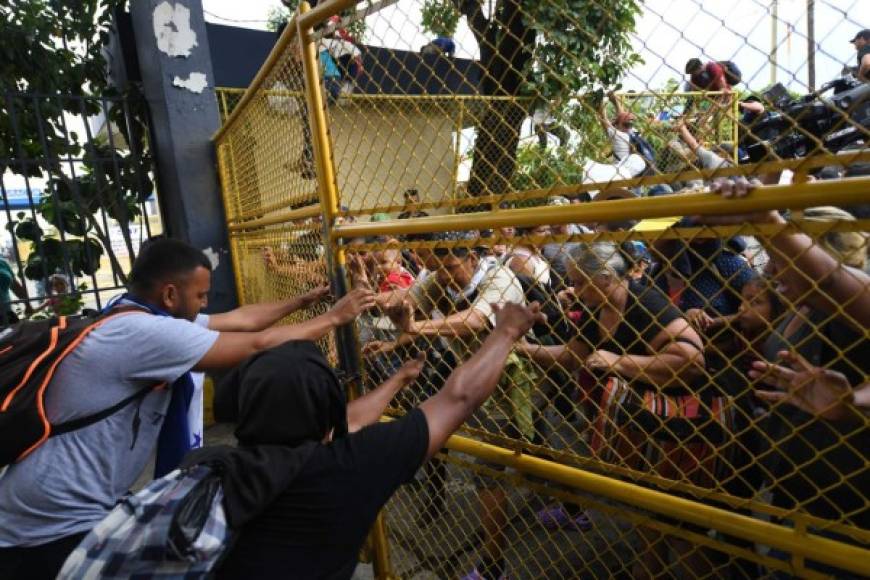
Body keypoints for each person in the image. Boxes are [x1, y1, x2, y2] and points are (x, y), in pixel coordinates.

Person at [0, 238, 375, 579]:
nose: (206, 304)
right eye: (200, 295)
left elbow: (244, 319)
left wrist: (302, 301)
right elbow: (257, 343)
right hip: (55, 515)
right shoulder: (147, 335)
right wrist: (334, 318)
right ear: (169, 293)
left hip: (53, 500)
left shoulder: (129, 313)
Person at [202, 301, 544, 579]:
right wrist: (506, 332)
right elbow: (459, 398)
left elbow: (348, 420)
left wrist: (398, 379)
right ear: (326, 422)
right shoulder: (351, 465)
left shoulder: (209, 470)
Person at [518, 242, 726, 578]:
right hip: (647, 428)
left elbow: (691, 360)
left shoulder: (646, 303)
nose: (574, 290)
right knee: (647, 513)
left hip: (685, 427)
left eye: (580, 282)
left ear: (604, 278)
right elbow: (574, 355)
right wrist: (523, 347)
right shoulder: (596, 309)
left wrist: (621, 362)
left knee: (685, 527)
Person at [704, 178, 870, 573]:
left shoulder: (848, 312)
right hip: (795, 488)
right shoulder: (796, 307)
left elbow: (830, 283)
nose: (771, 269)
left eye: (784, 257)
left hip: (846, 499)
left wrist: (854, 403)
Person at [382, 231, 535, 580]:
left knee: (502, 465)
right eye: (440, 269)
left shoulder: (498, 278)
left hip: (519, 377)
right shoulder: (442, 279)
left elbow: (475, 322)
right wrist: (378, 301)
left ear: (472, 258)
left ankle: (494, 568)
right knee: (500, 465)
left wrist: (415, 326)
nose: (447, 276)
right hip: (479, 377)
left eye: (452, 266)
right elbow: (407, 298)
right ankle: (500, 561)